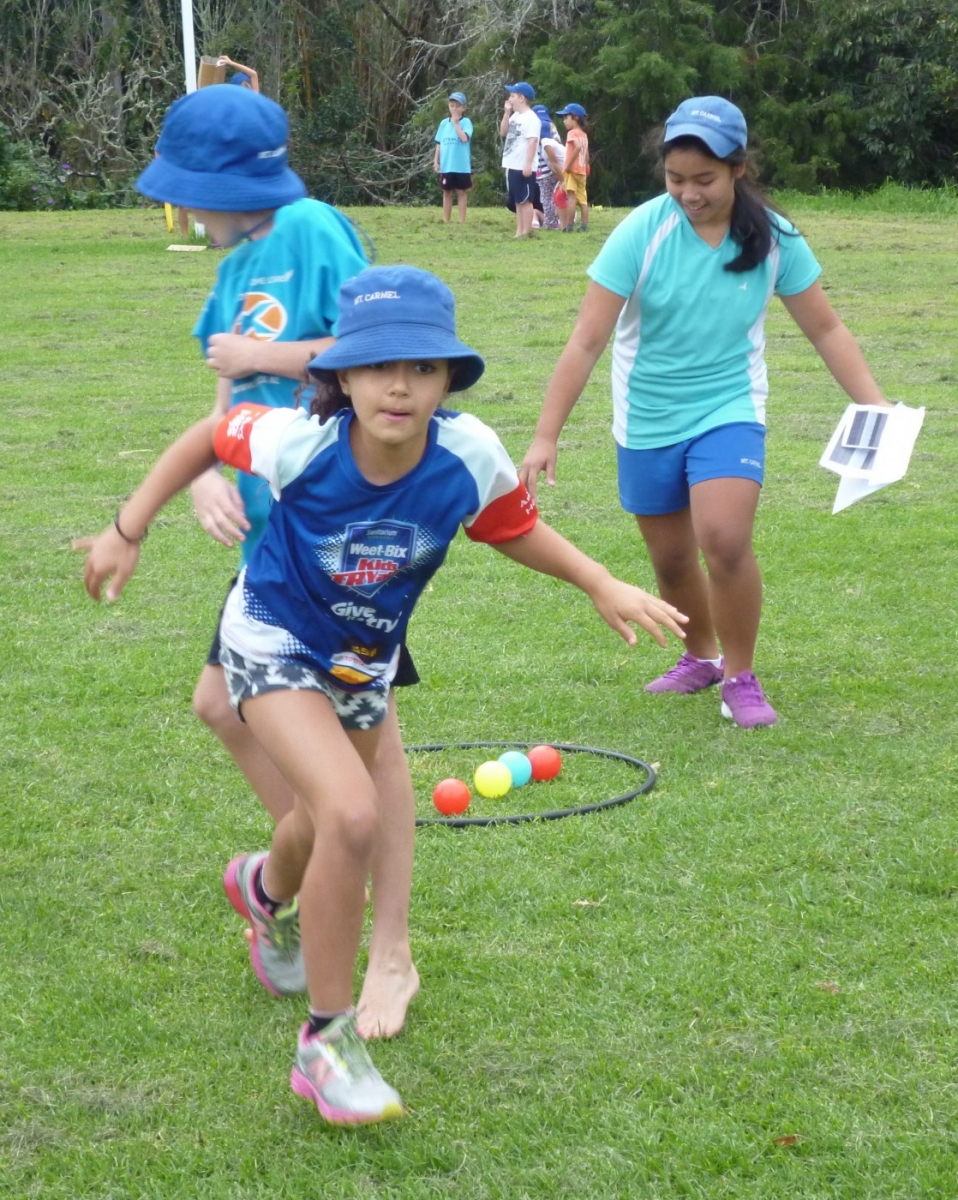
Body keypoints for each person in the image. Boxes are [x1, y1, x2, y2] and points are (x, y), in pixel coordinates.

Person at [77, 264, 687, 1124]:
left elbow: (509, 524)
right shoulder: (300, 440)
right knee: (352, 813)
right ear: (343, 375)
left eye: (423, 368)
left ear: (448, 378)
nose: (399, 386)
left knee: (315, 822)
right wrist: (126, 528)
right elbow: (208, 438)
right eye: (377, 367)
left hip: (362, 662)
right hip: (271, 638)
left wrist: (598, 581)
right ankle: (326, 1048)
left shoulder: (468, 453)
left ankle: (263, 889)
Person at [122, 84, 422, 1040]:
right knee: (221, 705)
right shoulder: (234, 262)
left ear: (218, 183)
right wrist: (210, 470)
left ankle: (382, 939)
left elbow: (376, 354)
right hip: (269, 538)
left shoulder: (313, 230)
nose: (180, 208)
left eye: (185, 190)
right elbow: (225, 388)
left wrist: (271, 351)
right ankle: (296, 863)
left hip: (338, 532)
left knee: (375, 743)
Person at [519, 95, 892, 728]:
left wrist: (874, 404)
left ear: (738, 169)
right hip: (646, 416)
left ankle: (741, 676)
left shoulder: (774, 238)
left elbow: (826, 329)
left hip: (729, 407)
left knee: (724, 538)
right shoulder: (642, 231)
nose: (689, 194)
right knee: (670, 559)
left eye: (705, 179)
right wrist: (545, 434)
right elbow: (586, 339)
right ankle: (701, 656)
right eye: (676, 179)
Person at [500, 82, 540, 239]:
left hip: (523, 165)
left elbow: (532, 141)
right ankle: (519, 231)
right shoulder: (515, 116)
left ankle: (527, 231)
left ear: (522, 98)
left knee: (525, 200)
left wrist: (528, 164)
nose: (510, 99)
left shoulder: (531, 118)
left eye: (512, 96)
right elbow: (503, 132)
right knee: (517, 200)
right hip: (512, 164)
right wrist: (506, 113)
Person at [433, 91, 473, 224]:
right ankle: (446, 219)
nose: (454, 109)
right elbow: (439, 143)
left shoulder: (466, 122)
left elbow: (464, 138)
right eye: (452, 106)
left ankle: (462, 220)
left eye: (458, 106)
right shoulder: (443, 123)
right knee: (447, 191)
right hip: (447, 165)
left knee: (461, 192)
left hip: (461, 166)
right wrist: (436, 160)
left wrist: (456, 124)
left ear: (463, 108)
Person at [556, 103, 590, 232]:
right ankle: (584, 226)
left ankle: (569, 226)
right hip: (582, 171)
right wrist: (586, 165)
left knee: (571, 198)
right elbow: (586, 153)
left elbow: (578, 147)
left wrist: (569, 166)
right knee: (583, 201)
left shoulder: (572, 133)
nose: (564, 121)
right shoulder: (584, 135)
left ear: (575, 118)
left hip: (572, 170)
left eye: (566, 118)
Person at [533, 105, 563, 230]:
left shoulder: (536, 132)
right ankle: (558, 220)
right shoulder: (551, 128)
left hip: (544, 172)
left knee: (546, 198)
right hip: (553, 170)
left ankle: (550, 223)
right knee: (555, 196)